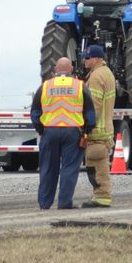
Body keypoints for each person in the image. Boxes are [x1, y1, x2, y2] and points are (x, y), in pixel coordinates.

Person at [30, 57, 95, 210]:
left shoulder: (45, 87)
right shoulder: (80, 86)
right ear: (71, 69)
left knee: (47, 168)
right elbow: (90, 113)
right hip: (73, 132)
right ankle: (64, 203)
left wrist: (41, 129)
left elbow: (34, 112)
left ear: (55, 69)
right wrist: (88, 130)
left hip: (50, 131)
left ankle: (45, 203)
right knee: (69, 168)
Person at [79, 45, 117, 208]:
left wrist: (85, 126)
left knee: (96, 165)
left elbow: (93, 106)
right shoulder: (106, 73)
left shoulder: (95, 77)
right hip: (105, 128)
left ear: (96, 59)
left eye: (87, 58)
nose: (84, 61)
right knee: (100, 164)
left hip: (97, 131)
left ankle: (101, 196)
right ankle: (101, 195)